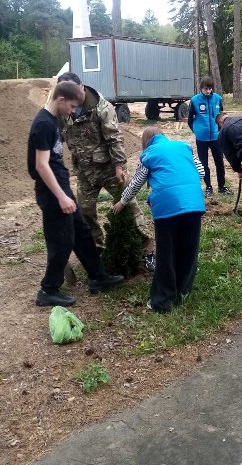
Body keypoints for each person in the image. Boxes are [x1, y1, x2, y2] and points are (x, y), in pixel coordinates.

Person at [27, 81, 124, 307]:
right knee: (62, 239)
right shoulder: (43, 124)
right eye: (71, 106)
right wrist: (61, 196)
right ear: (60, 99)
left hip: (60, 186)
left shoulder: (53, 119)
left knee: (81, 231)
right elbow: (41, 165)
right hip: (51, 191)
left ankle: (98, 277)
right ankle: (48, 289)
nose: (72, 112)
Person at [57, 72, 154, 271]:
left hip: (108, 168)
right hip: (84, 172)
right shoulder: (63, 109)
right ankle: (97, 253)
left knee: (129, 205)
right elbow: (57, 136)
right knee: (85, 213)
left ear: (82, 86)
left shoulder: (102, 107)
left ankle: (147, 251)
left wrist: (119, 166)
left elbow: (115, 138)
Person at [112, 127, 205, 314]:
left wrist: (122, 202)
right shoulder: (184, 146)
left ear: (146, 141)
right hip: (194, 203)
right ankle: (183, 291)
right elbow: (201, 172)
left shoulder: (149, 154)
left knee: (166, 253)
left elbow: (136, 183)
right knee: (188, 249)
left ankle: (162, 301)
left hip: (167, 207)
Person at [188, 76, 232, 197]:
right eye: (205, 89)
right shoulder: (195, 100)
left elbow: (221, 117)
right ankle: (208, 187)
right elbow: (190, 119)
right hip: (201, 139)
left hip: (216, 138)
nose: (208, 91)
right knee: (204, 163)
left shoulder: (217, 99)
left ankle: (222, 186)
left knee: (219, 162)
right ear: (201, 88)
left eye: (210, 88)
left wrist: (220, 131)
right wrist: (196, 131)